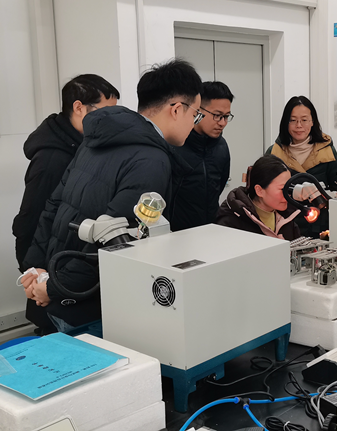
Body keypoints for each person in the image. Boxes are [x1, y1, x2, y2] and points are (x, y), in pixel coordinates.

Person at [20, 59, 202, 332]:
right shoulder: (150, 159)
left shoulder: (95, 140)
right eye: (196, 114)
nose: (194, 123)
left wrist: (37, 270)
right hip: (90, 305)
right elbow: (116, 244)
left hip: (59, 290)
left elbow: (53, 206)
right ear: (176, 109)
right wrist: (54, 287)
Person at [12, 74, 119, 334]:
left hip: (68, 276)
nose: (112, 121)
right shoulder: (53, 159)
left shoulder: (84, 147)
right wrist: (35, 276)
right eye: (105, 112)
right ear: (79, 107)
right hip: (50, 280)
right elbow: (30, 221)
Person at [265, 96, 337, 237]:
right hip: (285, 224)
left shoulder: (326, 150)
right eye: (293, 120)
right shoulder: (274, 152)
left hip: (320, 225)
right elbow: (266, 191)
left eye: (304, 120)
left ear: (312, 122)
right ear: (285, 123)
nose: (299, 125)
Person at [169, 81, 233, 231]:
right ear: (198, 110)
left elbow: (220, 185)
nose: (223, 123)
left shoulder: (221, 146)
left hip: (210, 229)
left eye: (226, 116)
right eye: (217, 115)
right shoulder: (175, 144)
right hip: (177, 233)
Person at [216, 154, 300, 241]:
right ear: (259, 190)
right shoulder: (231, 222)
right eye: (283, 189)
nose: (288, 195)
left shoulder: (287, 217)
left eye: (289, 188)